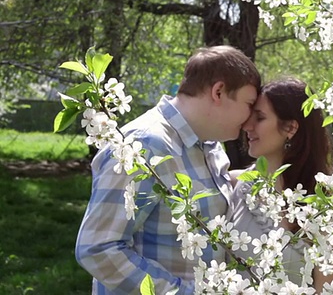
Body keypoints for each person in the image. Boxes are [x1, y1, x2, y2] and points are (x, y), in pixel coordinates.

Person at [76, 45, 260, 294]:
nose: (250, 120)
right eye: (249, 104)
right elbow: (98, 248)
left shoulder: (211, 147)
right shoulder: (143, 146)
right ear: (219, 91)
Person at [227, 78, 333, 291]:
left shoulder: (326, 207)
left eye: (260, 118)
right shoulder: (233, 184)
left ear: (290, 127)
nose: (247, 126)